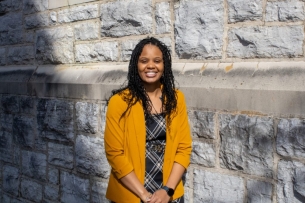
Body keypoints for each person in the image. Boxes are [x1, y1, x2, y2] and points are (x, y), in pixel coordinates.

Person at [104, 37, 192, 203]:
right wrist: (145, 195)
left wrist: (167, 190)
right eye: (144, 61)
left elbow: (184, 148)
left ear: (164, 65)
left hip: (169, 194)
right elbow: (114, 153)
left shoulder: (176, 99)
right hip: (131, 194)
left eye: (157, 61)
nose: (151, 66)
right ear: (136, 65)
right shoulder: (119, 101)